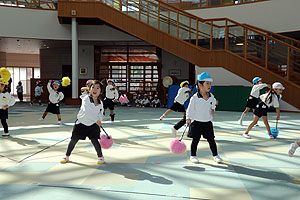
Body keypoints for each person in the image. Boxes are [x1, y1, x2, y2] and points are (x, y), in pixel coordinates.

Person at [61, 80, 105, 164]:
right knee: (73, 140)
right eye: (93, 87)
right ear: (89, 89)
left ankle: (100, 157)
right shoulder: (86, 99)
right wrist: (96, 120)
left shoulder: (100, 103)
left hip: (92, 125)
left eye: (98, 88)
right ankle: (66, 156)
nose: (95, 89)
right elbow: (87, 112)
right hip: (81, 124)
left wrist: (99, 120)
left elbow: (100, 113)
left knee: (95, 140)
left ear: (101, 91)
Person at [186, 72, 222, 164]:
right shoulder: (194, 98)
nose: (209, 85)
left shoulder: (211, 97)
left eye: (210, 83)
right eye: (207, 83)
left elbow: (213, 104)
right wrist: (188, 118)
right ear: (200, 84)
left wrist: (213, 109)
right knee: (195, 140)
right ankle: (193, 155)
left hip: (207, 122)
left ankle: (216, 155)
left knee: (211, 140)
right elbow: (189, 109)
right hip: (196, 122)